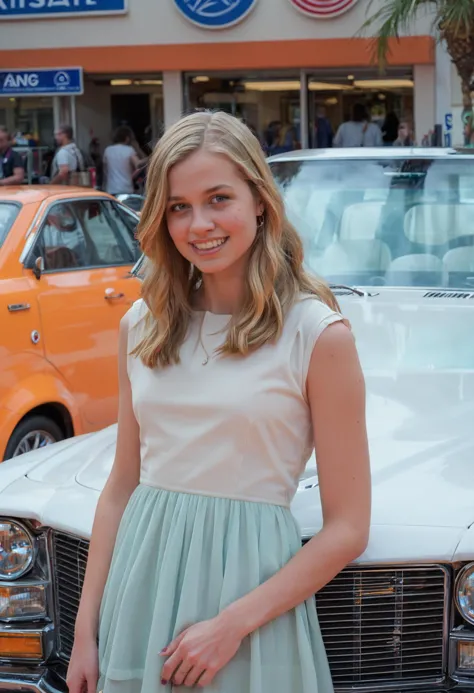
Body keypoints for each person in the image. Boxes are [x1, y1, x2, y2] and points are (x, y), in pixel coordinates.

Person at [67, 110, 371, 693]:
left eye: (218, 198)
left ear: (260, 200)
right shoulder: (142, 325)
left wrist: (231, 625)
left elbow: (348, 528)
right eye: (178, 206)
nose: (198, 224)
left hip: (248, 613)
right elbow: (121, 487)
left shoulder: (317, 333)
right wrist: (87, 630)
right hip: (139, 599)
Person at [103, 126, 140, 195]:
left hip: (111, 189)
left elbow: (105, 170)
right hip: (126, 188)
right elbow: (139, 165)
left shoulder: (108, 150)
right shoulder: (129, 150)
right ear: (127, 138)